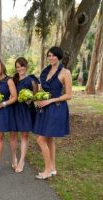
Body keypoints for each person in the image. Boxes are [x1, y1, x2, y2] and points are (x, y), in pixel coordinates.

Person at [33, 46, 72, 179]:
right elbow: (43, 90)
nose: (51, 58)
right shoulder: (45, 71)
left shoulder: (65, 72)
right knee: (49, 139)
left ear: (59, 57)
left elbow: (68, 95)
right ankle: (53, 168)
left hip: (56, 107)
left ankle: (47, 170)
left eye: (53, 55)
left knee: (40, 139)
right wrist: (39, 98)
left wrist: (50, 101)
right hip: (44, 108)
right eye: (49, 55)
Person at [10, 57, 39, 173]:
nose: (20, 69)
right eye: (17, 67)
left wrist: (30, 100)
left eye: (22, 66)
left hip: (26, 110)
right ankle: (13, 157)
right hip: (14, 109)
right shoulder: (13, 80)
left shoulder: (32, 80)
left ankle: (21, 160)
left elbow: (35, 95)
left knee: (24, 136)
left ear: (26, 66)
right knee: (12, 135)